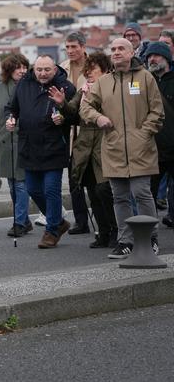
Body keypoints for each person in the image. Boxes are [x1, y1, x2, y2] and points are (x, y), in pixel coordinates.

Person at [81, 38, 165, 258]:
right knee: (119, 197)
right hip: (113, 148)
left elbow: (157, 112)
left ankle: (150, 238)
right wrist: (98, 118)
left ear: (131, 53)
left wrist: (143, 133)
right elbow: (86, 106)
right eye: (113, 49)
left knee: (142, 194)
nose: (116, 52)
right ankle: (125, 240)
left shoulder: (145, 77)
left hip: (141, 148)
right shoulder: (104, 82)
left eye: (121, 49)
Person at [6, 54, 77, 248]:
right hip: (29, 146)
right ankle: (59, 221)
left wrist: (62, 113)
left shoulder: (67, 87)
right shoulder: (24, 84)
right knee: (33, 189)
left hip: (54, 145)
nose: (43, 74)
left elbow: (76, 116)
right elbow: (12, 108)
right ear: (33, 69)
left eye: (47, 70)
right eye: (39, 70)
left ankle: (51, 230)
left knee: (51, 190)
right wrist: (11, 118)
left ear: (55, 69)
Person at [68, 53, 118, 248]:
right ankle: (103, 233)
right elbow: (72, 112)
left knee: (105, 190)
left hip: (104, 143)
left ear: (105, 70)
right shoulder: (83, 90)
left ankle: (116, 230)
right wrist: (61, 104)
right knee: (93, 192)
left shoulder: (112, 88)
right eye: (87, 70)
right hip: (85, 147)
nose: (88, 73)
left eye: (93, 69)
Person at [0, 54, 34, 238]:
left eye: (24, 67)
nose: (22, 71)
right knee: (13, 184)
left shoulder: (30, 88)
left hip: (25, 142)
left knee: (21, 184)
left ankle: (19, 222)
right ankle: (25, 220)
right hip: (4, 144)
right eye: (18, 67)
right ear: (9, 69)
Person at [60, 31, 92, 234]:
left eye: (74, 47)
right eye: (68, 47)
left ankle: (104, 221)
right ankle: (81, 221)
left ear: (83, 47)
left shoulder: (94, 67)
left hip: (89, 127)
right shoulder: (62, 68)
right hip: (68, 129)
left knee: (95, 179)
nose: (70, 51)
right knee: (73, 178)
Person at [144, 42, 174, 228]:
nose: (152, 59)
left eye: (156, 55)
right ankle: (148, 224)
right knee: (149, 189)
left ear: (167, 58)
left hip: (172, 144)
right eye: (148, 56)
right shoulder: (146, 81)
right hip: (153, 145)